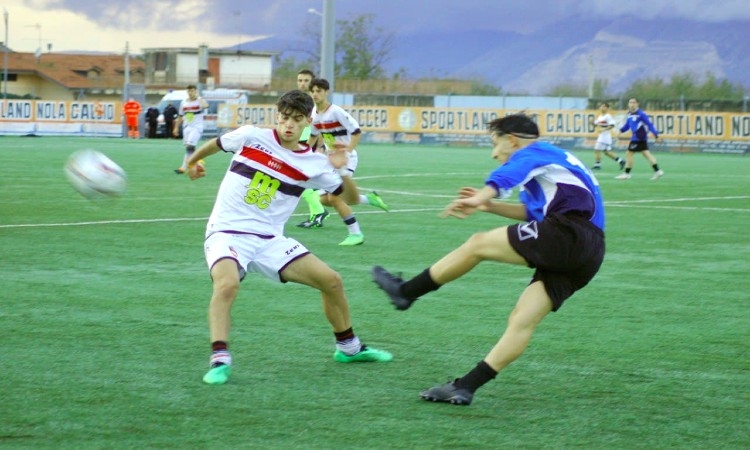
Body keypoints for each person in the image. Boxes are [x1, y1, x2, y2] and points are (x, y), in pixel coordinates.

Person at [371, 113, 605, 406]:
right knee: (522, 320)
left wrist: (482, 195)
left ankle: (405, 293)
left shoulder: (535, 152)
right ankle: (466, 387)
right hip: (589, 252)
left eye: (495, 144)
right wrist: (488, 205)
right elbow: (533, 215)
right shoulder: (555, 163)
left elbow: (507, 176)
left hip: (569, 233)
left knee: (478, 244)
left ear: (512, 140)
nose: (494, 153)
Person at [184, 89, 393, 385]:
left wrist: (342, 170)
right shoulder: (251, 135)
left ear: (309, 120)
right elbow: (215, 144)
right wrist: (192, 163)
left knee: (331, 280)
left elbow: (352, 197)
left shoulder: (313, 162)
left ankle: (348, 348)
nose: (289, 125)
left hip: (270, 240)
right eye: (284, 118)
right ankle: (220, 358)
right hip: (226, 232)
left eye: (297, 120)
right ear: (276, 116)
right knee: (227, 283)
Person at [305, 78, 389, 246]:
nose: (315, 94)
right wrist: (303, 154)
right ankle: (369, 199)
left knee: (335, 198)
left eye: (319, 91)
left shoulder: (336, 112)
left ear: (326, 92)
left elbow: (356, 131)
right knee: (324, 200)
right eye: (313, 91)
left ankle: (356, 234)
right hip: (331, 160)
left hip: (345, 160)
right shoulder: (314, 115)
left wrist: (347, 152)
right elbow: (313, 136)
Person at [294, 69, 330, 228]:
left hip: (310, 143)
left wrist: (320, 146)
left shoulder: (315, 102)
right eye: (300, 80)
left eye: (306, 80)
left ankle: (318, 212)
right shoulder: (298, 99)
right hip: (300, 141)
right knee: (303, 180)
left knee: (299, 180)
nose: (302, 83)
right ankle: (316, 214)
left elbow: (321, 124)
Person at [615, 98, 664, 180]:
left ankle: (626, 173)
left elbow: (649, 124)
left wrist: (656, 135)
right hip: (639, 137)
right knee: (646, 154)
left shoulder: (641, 114)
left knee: (629, 153)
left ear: (637, 104)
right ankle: (658, 171)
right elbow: (628, 125)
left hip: (638, 137)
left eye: (634, 102)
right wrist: (620, 131)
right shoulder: (630, 114)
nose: (632, 104)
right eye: (630, 102)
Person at [174, 85, 209, 174]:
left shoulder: (199, 101)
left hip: (196, 127)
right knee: (189, 148)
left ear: (196, 91)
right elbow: (180, 116)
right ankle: (198, 161)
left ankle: (184, 167)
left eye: (193, 91)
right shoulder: (183, 102)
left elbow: (206, 106)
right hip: (187, 127)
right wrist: (176, 127)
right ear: (187, 92)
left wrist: (199, 98)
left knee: (190, 146)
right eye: (189, 91)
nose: (191, 93)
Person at [590, 102, 625, 171]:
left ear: (607, 108)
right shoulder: (600, 117)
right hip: (602, 136)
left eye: (604, 106)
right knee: (607, 152)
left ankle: (597, 164)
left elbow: (612, 125)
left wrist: (604, 129)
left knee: (597, 149)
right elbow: (596, 125)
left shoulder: (608, 116)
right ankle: (621, 161)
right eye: (601, 106)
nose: (602, 108)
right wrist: (591, 123)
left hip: (605, 136)